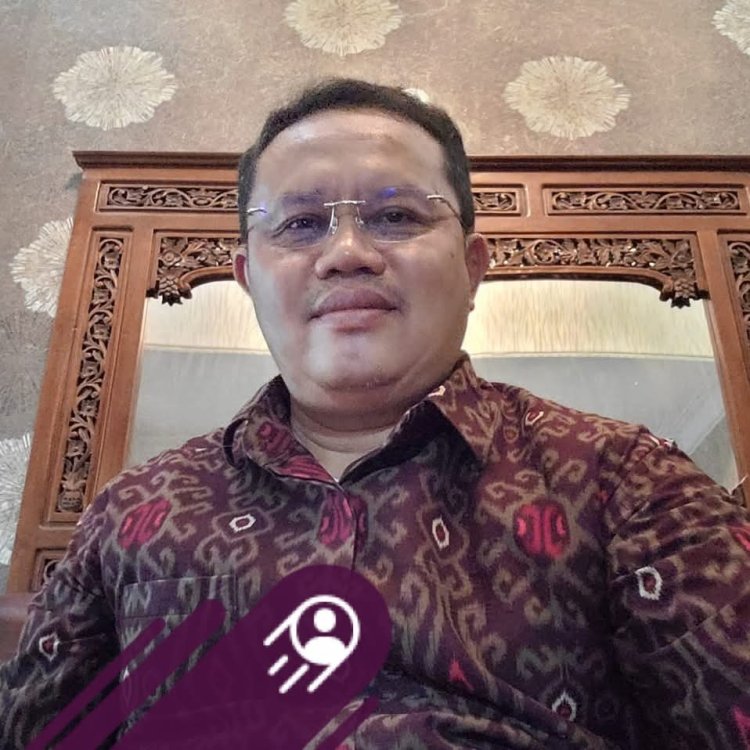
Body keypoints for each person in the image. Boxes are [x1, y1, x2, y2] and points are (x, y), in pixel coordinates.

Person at [2, 78, 749, 750]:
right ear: (248, 278)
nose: (348, 253)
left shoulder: (628, 482)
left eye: (395, 215)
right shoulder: (131, 510)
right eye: (300, 224)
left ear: (473, 267)